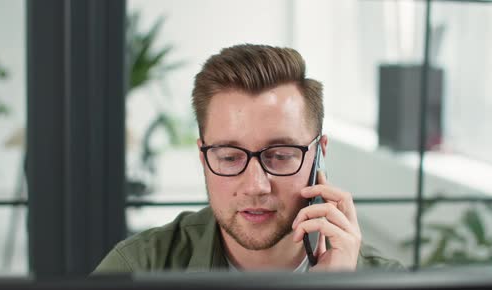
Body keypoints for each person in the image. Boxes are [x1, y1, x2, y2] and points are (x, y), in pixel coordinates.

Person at [94, 44, 400, 273]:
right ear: (203, 158)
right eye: (229, 157)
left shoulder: (387, 286)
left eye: (280, 155)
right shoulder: (138, 267)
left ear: (319, 154)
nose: (255, 186)